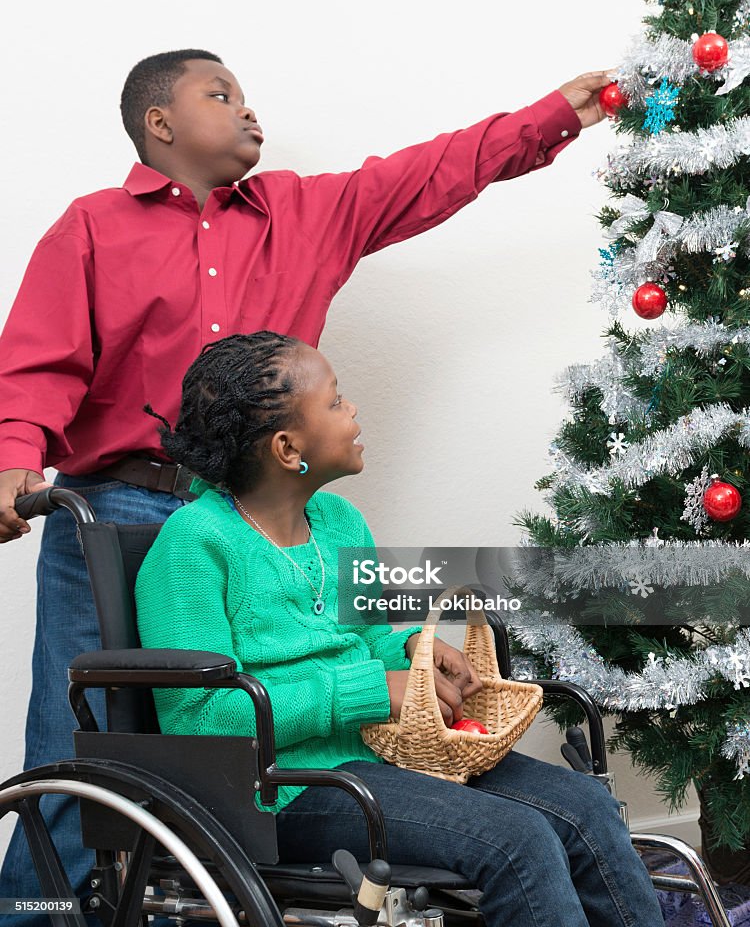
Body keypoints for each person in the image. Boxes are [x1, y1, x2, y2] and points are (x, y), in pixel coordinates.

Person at [0, 48, 612, 911]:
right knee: (83, 744)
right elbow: (39, 357)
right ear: (159, 124)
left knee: (267, 699)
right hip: (111, 503)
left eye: (248, 96)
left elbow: (430, 172)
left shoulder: (305, 210)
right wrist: (15, 453)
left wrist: (554, 114)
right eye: (221, 95)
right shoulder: (92, 227)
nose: (250, 112)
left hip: (253, 505)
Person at [133, 331, 665, 927]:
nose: (352, 410)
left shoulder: (338, 521)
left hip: (385, 758)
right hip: (280, 790)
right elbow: (201, 718)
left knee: (586, 807)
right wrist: (370, 689)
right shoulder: (193, 547)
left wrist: (411, 647)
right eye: (335, 402)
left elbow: (366, 639)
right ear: (288, 448)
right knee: (518, 841)